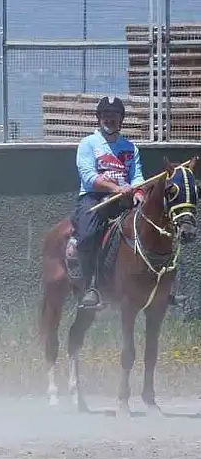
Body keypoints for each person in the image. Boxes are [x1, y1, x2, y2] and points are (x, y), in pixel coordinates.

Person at [71, 95, 145, 310]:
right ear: (98, 118)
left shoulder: (131, 147)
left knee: (157, 225)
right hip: (94, 199)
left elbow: (137, 175)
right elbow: (88, 176)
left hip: (125, 199)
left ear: (121, 119)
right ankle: (90, 287)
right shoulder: (88, 144)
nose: (109, 119)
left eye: (114, 116)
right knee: (88, 234)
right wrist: (116, 189)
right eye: (105, 115)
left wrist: (139, 191)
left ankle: (161, 286)